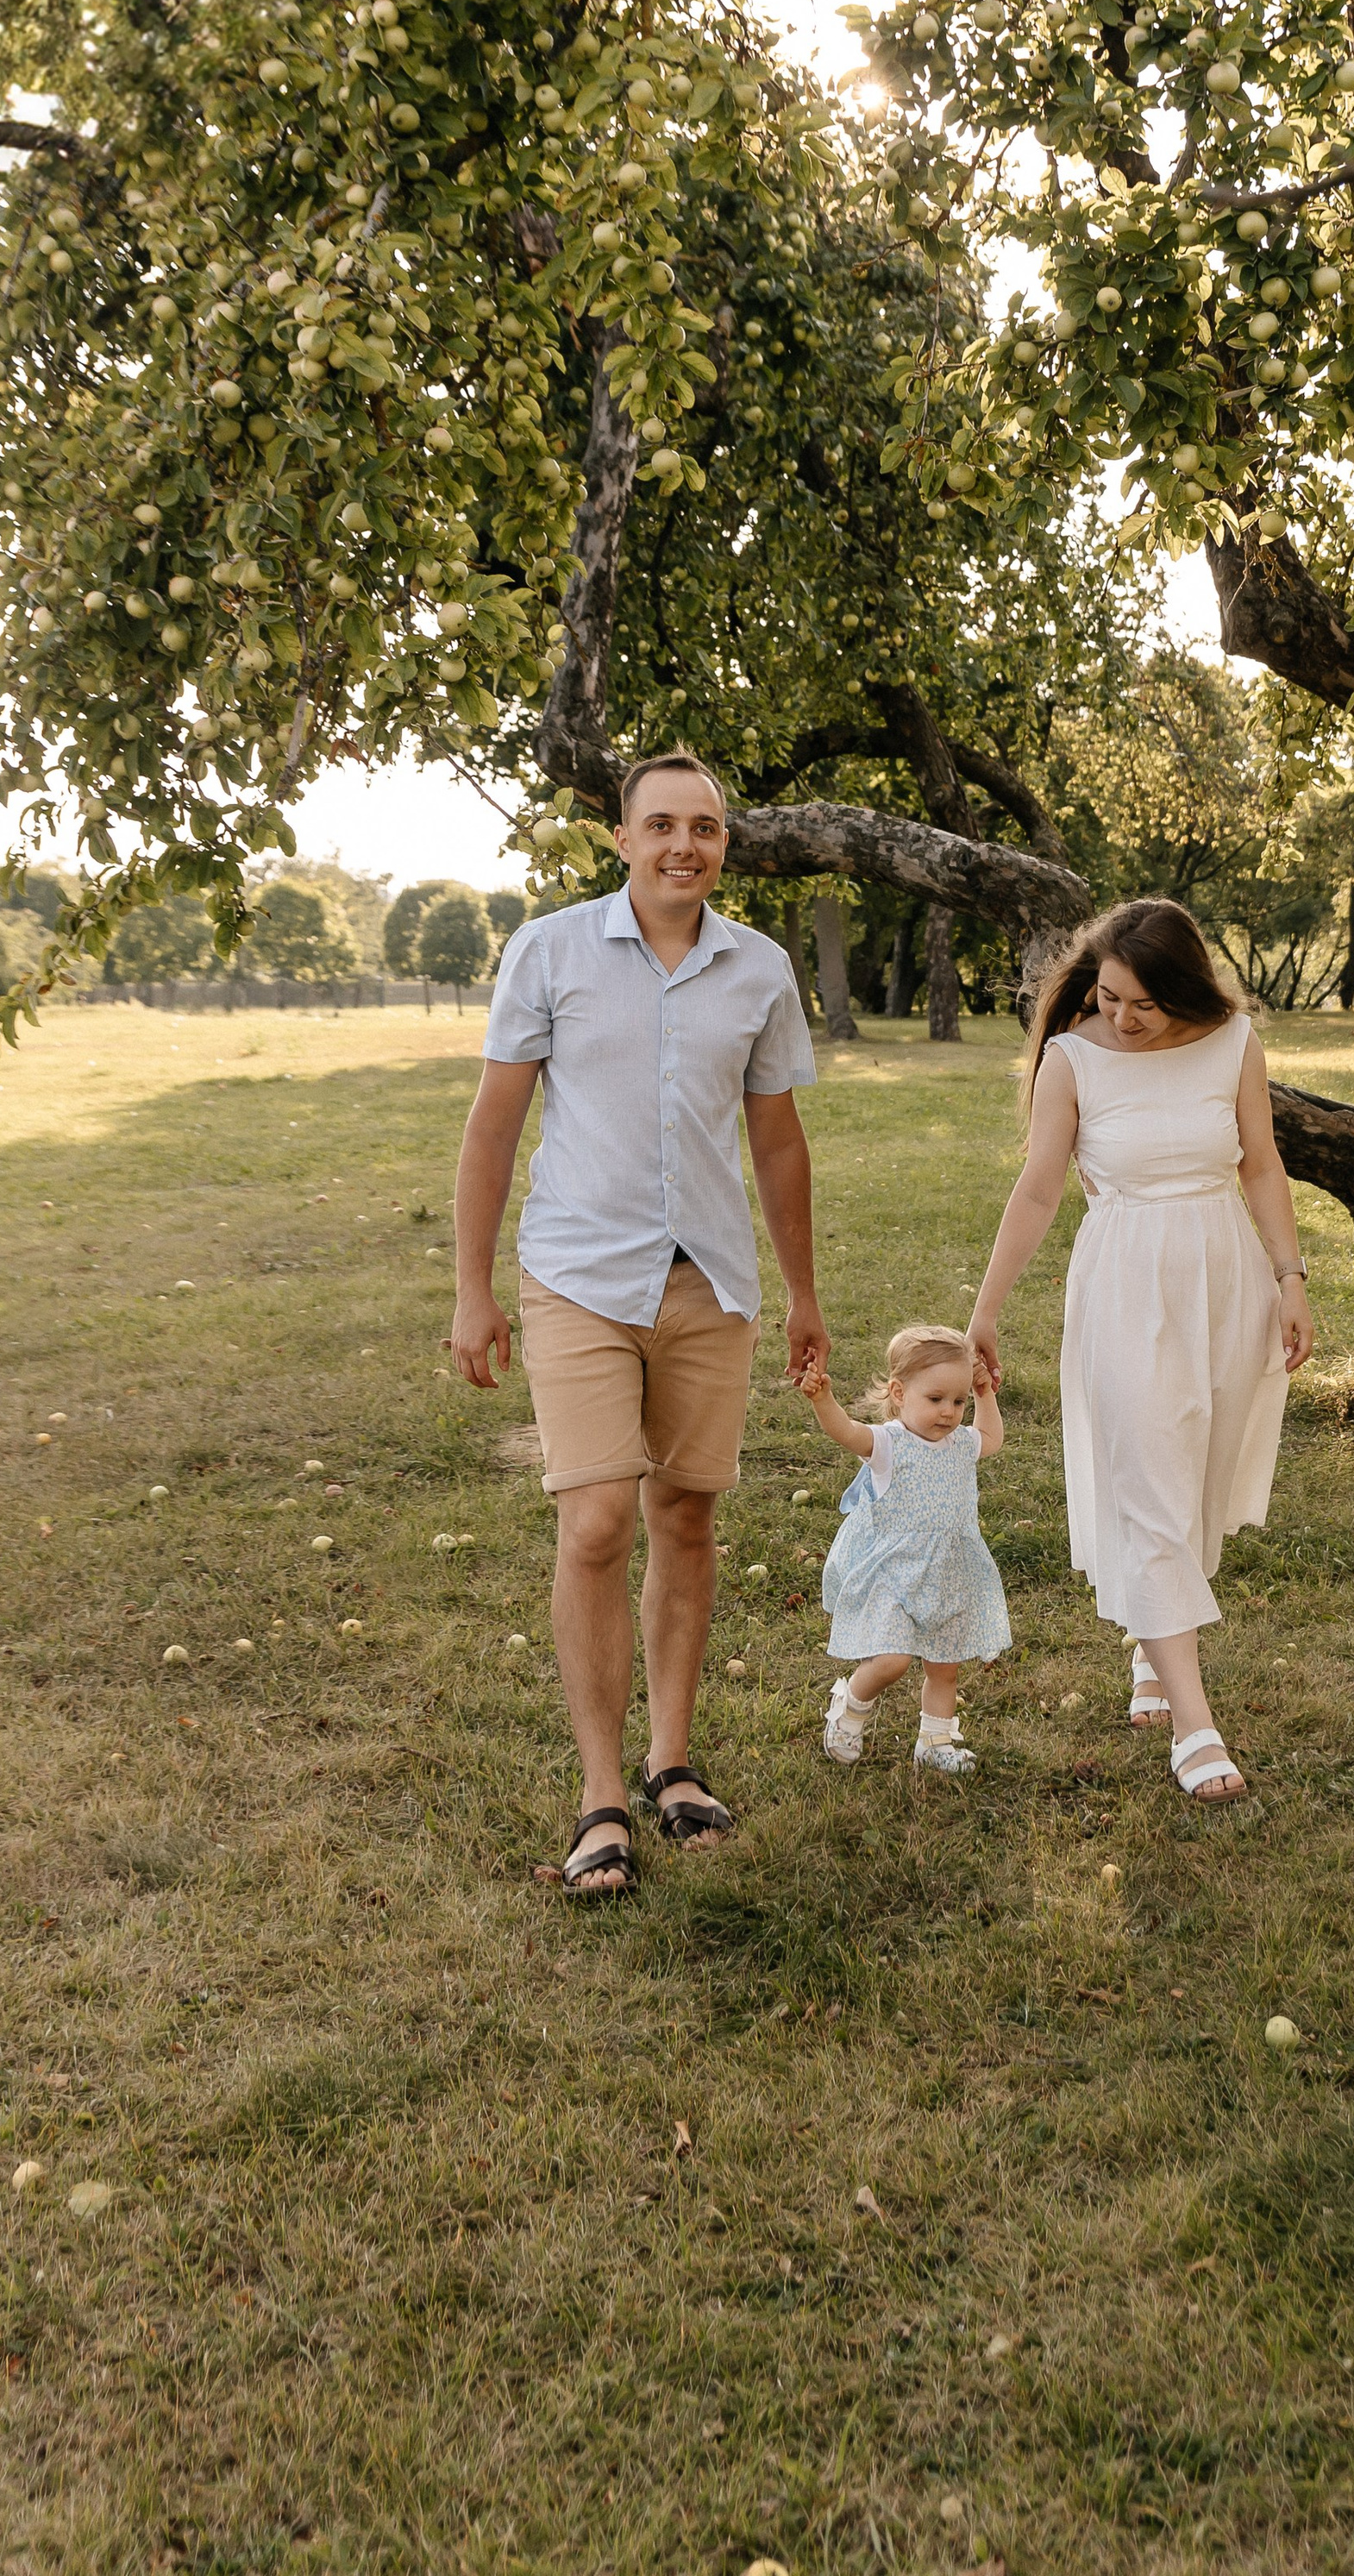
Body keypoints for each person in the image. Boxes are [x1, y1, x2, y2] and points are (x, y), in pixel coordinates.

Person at [448, 751, 826, 1898]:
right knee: (601, 1518)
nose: (683, 846)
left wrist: (806, 1295)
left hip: (709, 1279)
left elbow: (777, 1143)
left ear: (724, 845)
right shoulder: (551, 950)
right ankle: (601, 1795)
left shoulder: (758, 969)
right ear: (620, 839)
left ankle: (674, 1763)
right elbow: (493, 1131)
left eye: (704, 828)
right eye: (660, 825)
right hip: (577, 1276)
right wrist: (472, 1290)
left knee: (688, 1515)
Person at [968, 900, 1313, 1804]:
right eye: (1108, 995)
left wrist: (1289, 1276)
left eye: (1141, 1004)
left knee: (1195, 1472)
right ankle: (1197, 1727)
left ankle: (1153, 1648)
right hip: (1123, 1282)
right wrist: (986, 1311)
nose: (1119, 1016)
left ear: (1185, 993)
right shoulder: (1071, 1059)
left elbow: (1261, 1163)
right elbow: (1040, 1188)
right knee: (1149, 1480)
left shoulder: (1232, 1041)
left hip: (1223, 1278)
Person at [796, 1325, 1012, 1777]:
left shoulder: (960, 1444)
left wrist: (984, 1392)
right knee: (892, 1660)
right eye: (935, 1400)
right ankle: (851, 1706)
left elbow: (991, 1438)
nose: (949, 1413)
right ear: (899, 1392)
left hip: (949, 1573)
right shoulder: (889, 1444)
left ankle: (935, 1740)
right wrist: (822, 1402)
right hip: (893, 1573)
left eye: (958, 1401)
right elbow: (846, 1432)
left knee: (943, 1667)